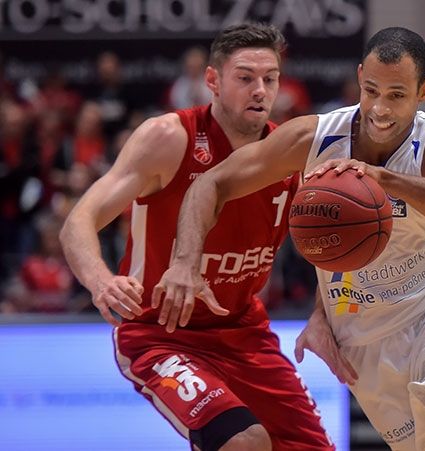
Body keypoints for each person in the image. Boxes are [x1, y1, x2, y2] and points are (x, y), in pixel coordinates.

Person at [157, 27, 425, 450]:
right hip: (363, 334)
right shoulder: (315, 137)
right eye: (371, 90)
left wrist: (383, 179)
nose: (380, 108)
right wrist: (183, 262)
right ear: (360, 76)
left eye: (397, 95)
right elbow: (210, 184)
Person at [59, 23, 333, 451]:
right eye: (245, 78)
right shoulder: (169, 137)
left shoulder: (290, 153)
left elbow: (327, 246)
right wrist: (101, 280)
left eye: (270, 78)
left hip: (244, 332)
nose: (260, 90)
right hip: (160, 334)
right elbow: (80, 219)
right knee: (244, 441)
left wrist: (323, 312)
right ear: (212, 81)